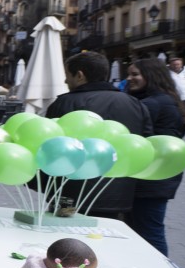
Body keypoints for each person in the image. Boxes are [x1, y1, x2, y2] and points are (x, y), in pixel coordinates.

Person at [44, 51, 153, 218]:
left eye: (67, 75)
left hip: (71, 197)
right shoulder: (134, 103)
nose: (65, 81)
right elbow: (145, 143)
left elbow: (50, 147)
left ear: (79, 75)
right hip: (117, 197)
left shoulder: (65, 103)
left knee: (68, 239)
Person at [125, 57, 185, 256]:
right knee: (146, 229)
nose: (129, 78)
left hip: (149, 179)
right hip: (159, 176)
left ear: (151, 76)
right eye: (129, 74)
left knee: (149, 231)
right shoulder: (168, 99)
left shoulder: (152, 103)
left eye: (135, 74)